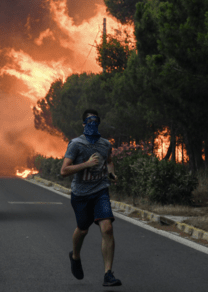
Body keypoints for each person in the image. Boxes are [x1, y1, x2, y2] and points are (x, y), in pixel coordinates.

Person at [60, 109, 122, 287]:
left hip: (100, 191)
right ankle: (75, 256)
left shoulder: (105, 144)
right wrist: (87, 164)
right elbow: (64, 171)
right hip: (80, 194)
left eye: (96, 121)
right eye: (89, 121)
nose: (93, 125)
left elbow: (109, 160)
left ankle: (108, 274)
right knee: (83, 229)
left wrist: (111, 174)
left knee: (107, 228)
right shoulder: (76, 144)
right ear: (83, 124)